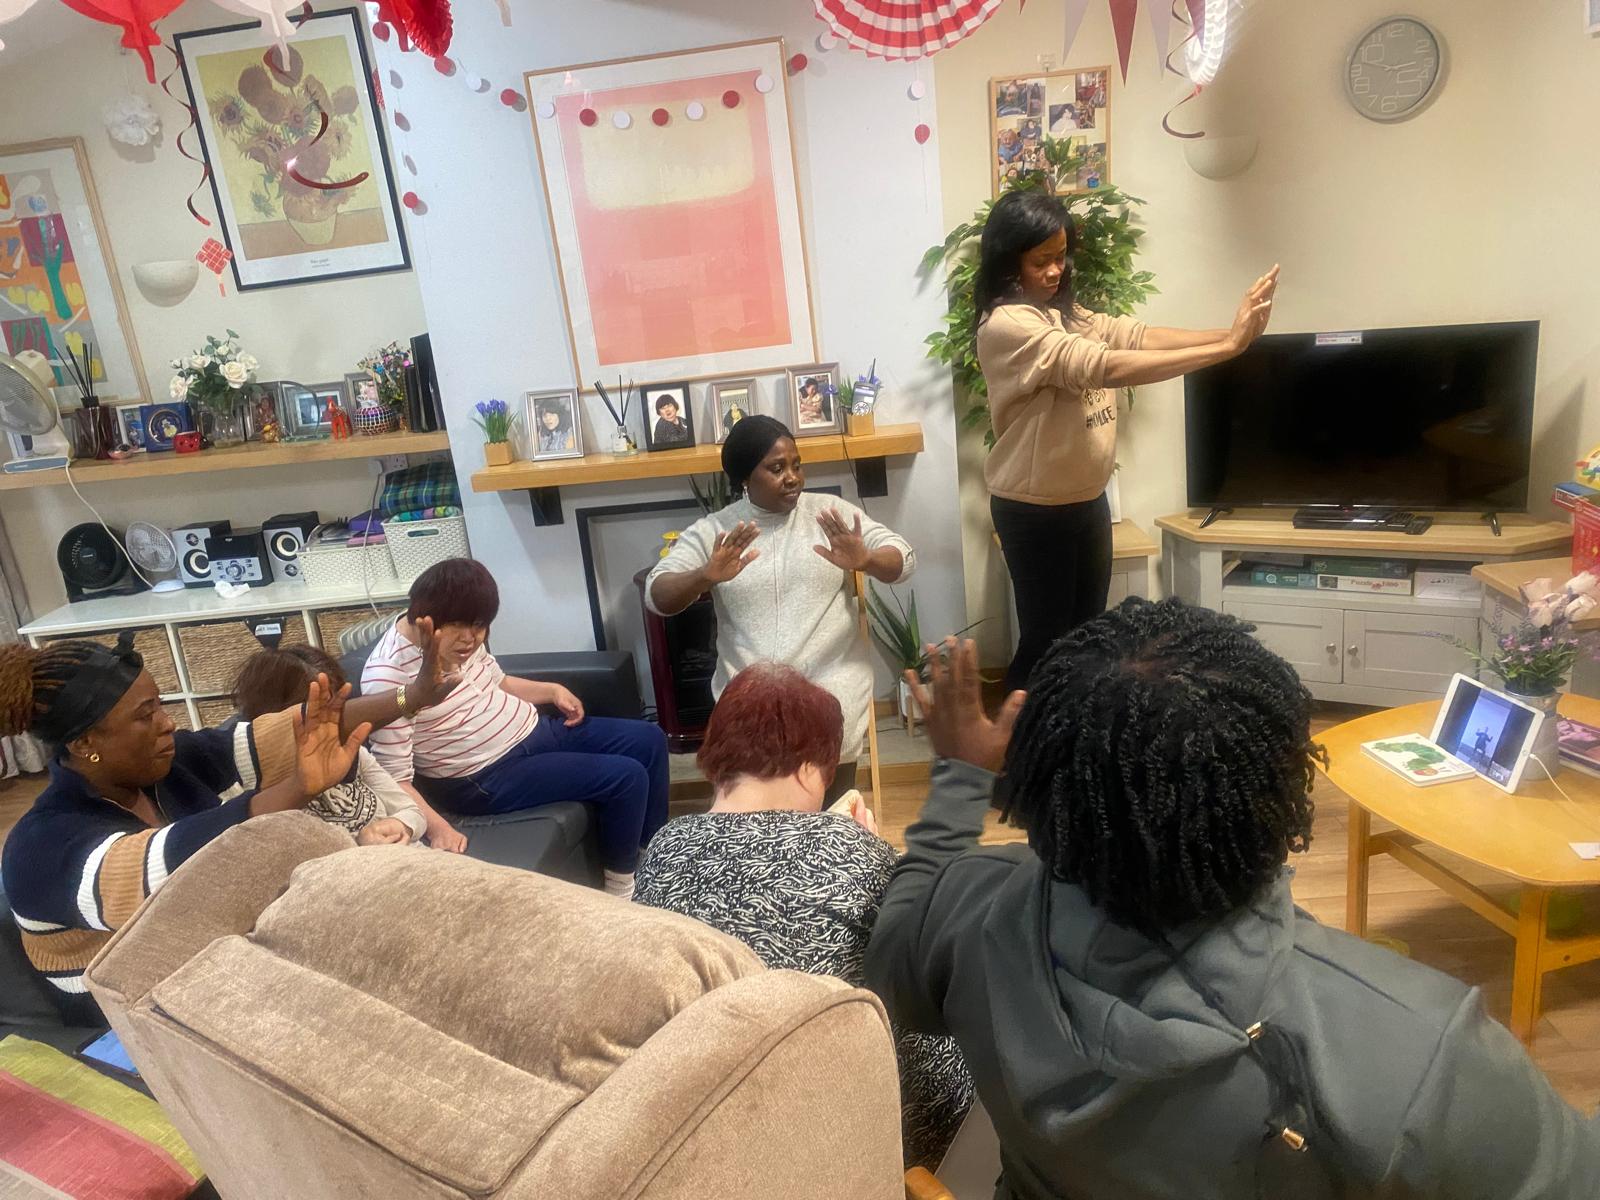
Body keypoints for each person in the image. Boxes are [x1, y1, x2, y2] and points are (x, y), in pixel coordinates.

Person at [864, 601, 1600, 1199]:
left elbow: (891, 965)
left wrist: (961, 780)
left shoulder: (964, 908)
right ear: (1287, 796)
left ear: (1037, 797)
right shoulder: (1426, 1054)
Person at [0, 624, 459, 1020]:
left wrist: (412, 696)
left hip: (207, 959)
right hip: (127, 1010)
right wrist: (297, 786)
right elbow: (162, 868)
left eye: (160, 704)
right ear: (84, 744)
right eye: (146, 715)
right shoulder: (39, 846)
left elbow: (289, 731)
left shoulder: (167, 765)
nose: (167, 723)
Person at [633, 663, 972, 1169]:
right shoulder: (850, 848)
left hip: (708, 1128)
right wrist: (878, 855)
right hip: (864, 1127)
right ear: (809, 767)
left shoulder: (664, 845)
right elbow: (929, 944)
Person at [976, 187, 1278, 691]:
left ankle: (1073, 744)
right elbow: (1104, 366)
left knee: (1089, 635)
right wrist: (1227, 348)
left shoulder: (1061, 311)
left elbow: (1134, 337)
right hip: (1033, 510)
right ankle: (1020, 753)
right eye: (1041, 261)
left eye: (1060, 257)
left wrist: (1231, 335)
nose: (1055, 271)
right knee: (1046, 641)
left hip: (1085, 499)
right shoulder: (1007, 325)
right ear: (1010, 261)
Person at [362, 557, 669, 898]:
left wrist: (551, 691)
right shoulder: (387, 677)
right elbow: (394, 777)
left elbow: (500, 681)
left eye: (479, 627)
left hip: (534, 731)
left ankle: (651, 859)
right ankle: (622, 893)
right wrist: (438, 829)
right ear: (424, 619)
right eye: (461, 627)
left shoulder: (461, 641)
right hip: (485, 776)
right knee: (625, 777)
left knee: (650, 740)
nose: (471, 639)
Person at [645, 415, 914, 799]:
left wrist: (867, 558)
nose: (793, 477)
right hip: (749, 695)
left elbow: (903, 559)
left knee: (823, 823)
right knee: (754, 822)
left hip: (828, 688)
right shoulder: (716, 531)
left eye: (796, 465)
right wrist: (705, 575)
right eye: (776, 468)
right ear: (744, 478)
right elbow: (657, 595)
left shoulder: (828, 514)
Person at [234, 645, 426, 847]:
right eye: (319, 709)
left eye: (339, 705)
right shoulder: (258, 796)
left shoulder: (353, 753)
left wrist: (400, 825)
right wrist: (361, 844)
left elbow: (412, 811)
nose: (335, 721)